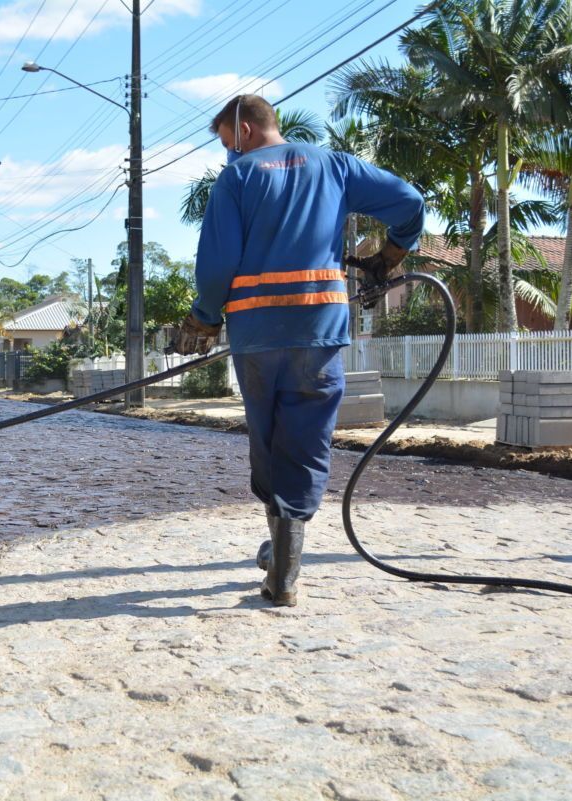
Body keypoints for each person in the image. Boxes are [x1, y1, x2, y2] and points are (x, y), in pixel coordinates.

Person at [172, 94, 424, 607]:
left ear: (243, 129)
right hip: (319, 331)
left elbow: (218, 265)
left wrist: (202, 317)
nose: (228, 155)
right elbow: (409, 203)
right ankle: (284, 571)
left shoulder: (238, 178)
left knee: (267, 438)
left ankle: (282, 560)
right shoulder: (335, 165)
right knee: (307, 440)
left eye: (226, 143)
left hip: (256, 334)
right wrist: (392, 251)